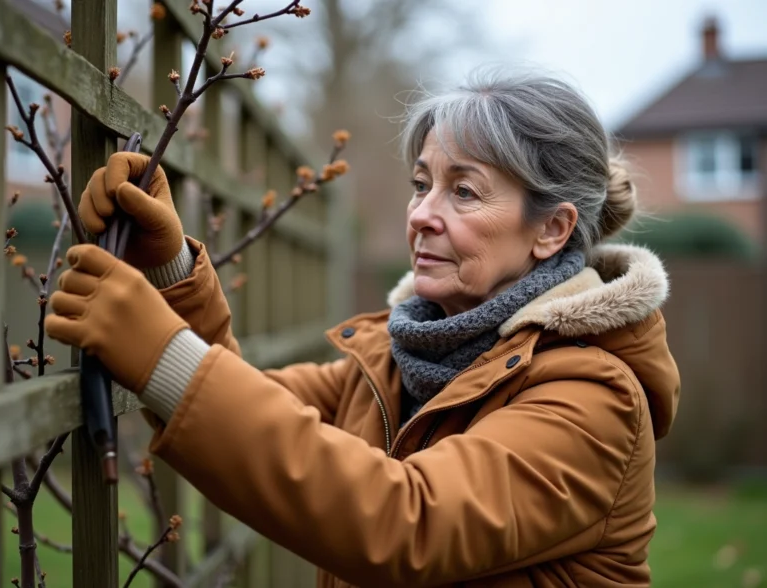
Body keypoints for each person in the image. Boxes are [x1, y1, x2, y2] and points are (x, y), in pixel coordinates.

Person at [45, 67, 681, 587]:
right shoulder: (391, 360)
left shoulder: (594, 397)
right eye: (421, 184)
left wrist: (160, 351)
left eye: (464, 192)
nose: (422, 214)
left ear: (552, 229)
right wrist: (169, 270)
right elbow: (241, 412)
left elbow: (405, 524)